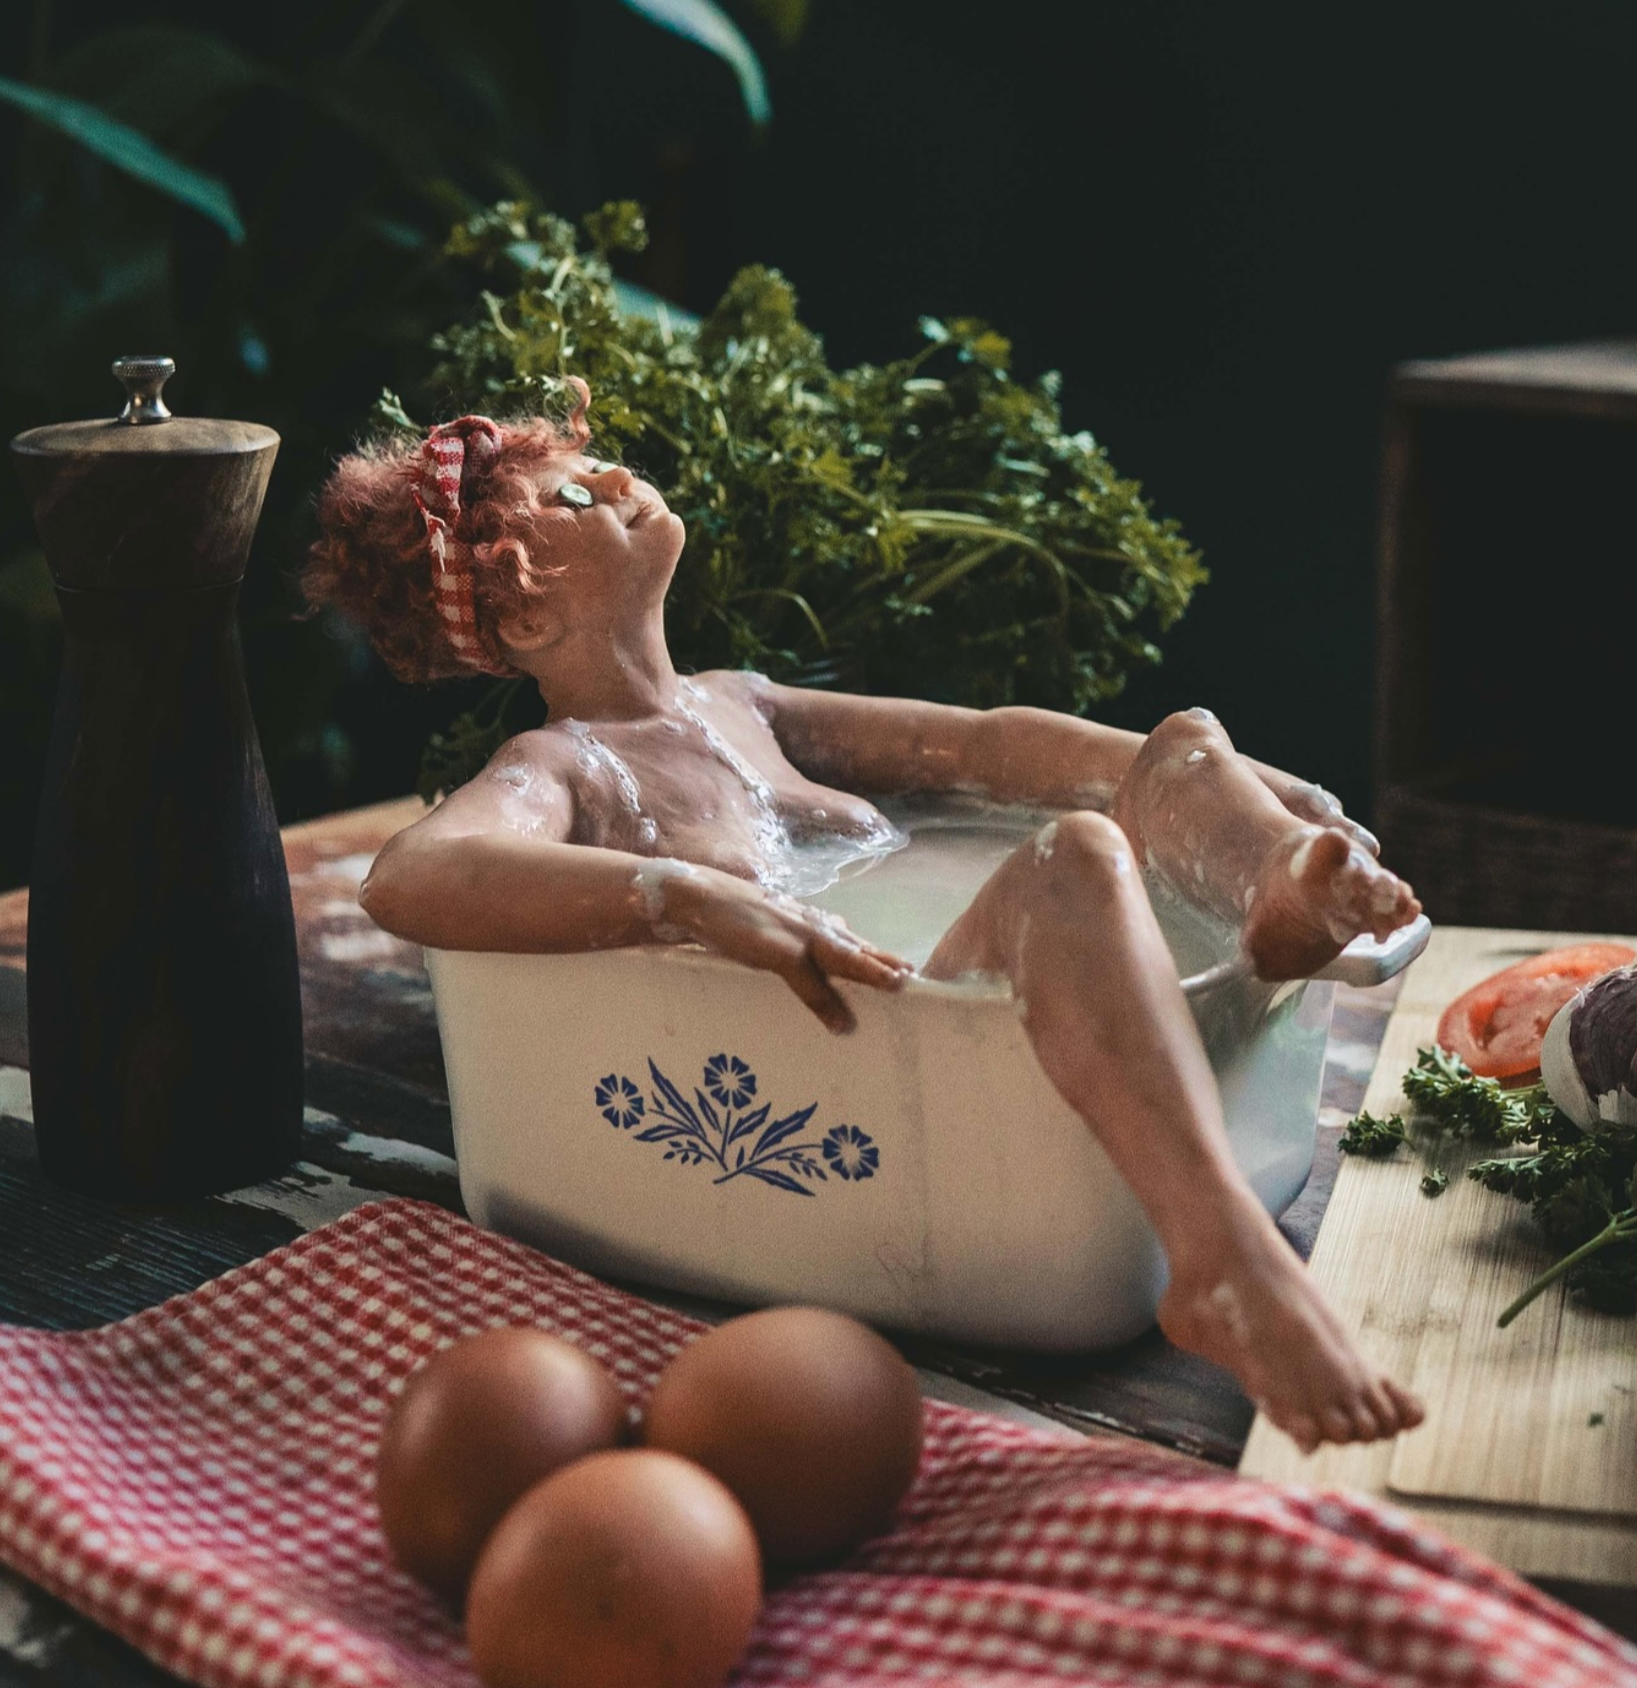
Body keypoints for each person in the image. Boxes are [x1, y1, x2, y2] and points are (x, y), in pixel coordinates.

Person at [306, 392, 1425, 1452]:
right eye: (571, 497)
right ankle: (1213, 1256)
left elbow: (982, 747)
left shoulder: (742, 704)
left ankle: (1280, 896)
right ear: (526, 607)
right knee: (1073, 855)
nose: (613, 473)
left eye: (595, 463)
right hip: (902, 1010)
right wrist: (679, 894)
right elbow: (413, 873)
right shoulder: (560, 766)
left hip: (987, 960)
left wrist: (1250, 792)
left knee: (1175, 738)